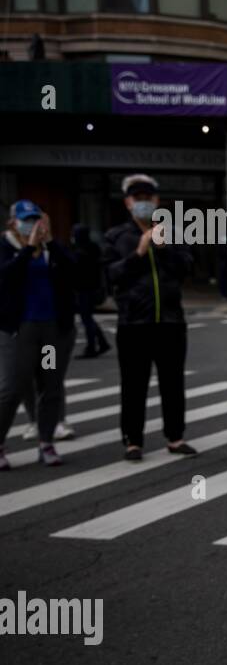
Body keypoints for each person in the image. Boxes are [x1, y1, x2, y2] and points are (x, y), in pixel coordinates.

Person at [103, 174, 197, 462]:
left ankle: (175, 436)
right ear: (128, 202)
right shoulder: (116, 236)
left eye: (148, 198)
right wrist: (139, 252)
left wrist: (164, 248)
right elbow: (111, 275)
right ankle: (133, 441)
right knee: (134, 384)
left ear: (156, 201)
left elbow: (186, 268)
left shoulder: (173, 232)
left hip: (170, 321)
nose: (143, 203)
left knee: (172, 382)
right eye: (137, 198)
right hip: (134, 323)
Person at [0, 200, 77, 469]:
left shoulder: (50, 249)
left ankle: (46, 442)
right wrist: (27, 249)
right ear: (13, 222)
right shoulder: (6, 247)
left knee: (50, 385)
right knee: (13, 387)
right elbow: (6, 277)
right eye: (26, 220)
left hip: (50, 331)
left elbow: (74, 271)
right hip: (19, 330)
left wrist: (51, 242)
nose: (31, 225)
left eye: (36, 220)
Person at [70, 224, 110, 359]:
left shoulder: (80, 251)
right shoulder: (94, 248)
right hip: (93, 288)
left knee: (86, 319)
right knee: (88, 318)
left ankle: (92, 346)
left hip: (84, 289)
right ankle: (102, 343)